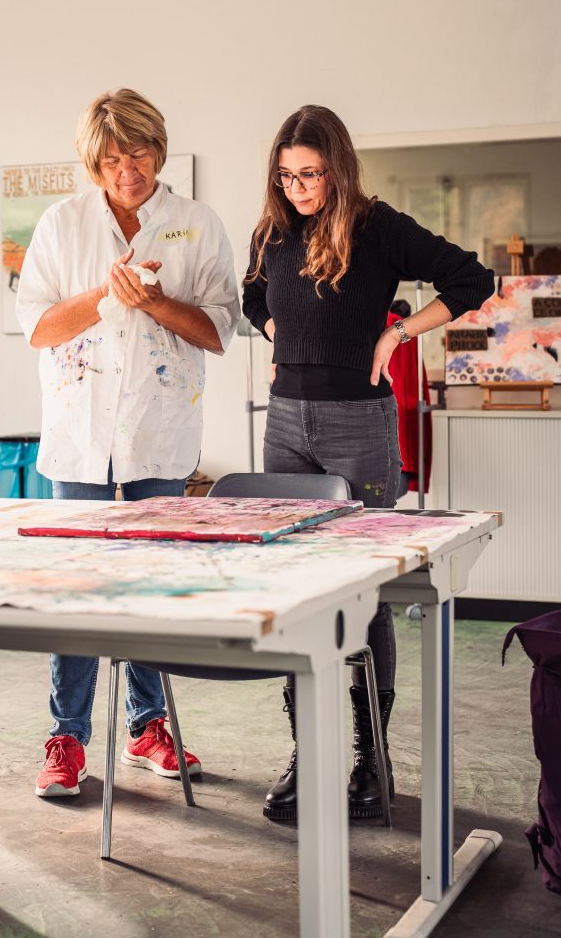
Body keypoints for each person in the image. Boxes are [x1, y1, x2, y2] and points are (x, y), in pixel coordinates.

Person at [242, 104, 494, 822]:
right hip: (285, 423)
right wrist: (272, 332)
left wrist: (399, 335)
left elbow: (471, 280)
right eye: (286, 176)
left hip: (358, 424)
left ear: (338, 167)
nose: (297, 188)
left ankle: (368, 762)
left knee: (366, 590)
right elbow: (252, 293)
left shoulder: (378, 226)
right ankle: (307, 755)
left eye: (311, 175)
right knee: (293, 584)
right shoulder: (273, 229)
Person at [17, 88, 240, 797]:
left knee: (151, 588)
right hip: (80, 438)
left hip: (159, 434)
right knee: (75, 589)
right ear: (92, 163)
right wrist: (103, 298)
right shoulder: (61, 223)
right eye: (112, 158)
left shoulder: (195, 223)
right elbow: (39, 328)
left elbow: (219, 330)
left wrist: (156, 304)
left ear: (158, 149)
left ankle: (149, 726)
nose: (128, 170)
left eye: (139, 152)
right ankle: (66, 737)